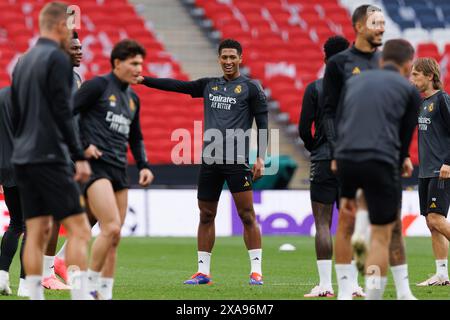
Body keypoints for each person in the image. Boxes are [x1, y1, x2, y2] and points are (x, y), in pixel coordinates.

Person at [138, 38, 268, 285]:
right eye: (224, 57)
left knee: (247, 214)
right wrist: (145, 80)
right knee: (206, 214)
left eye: (233, 57)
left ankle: (256, 271)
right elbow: (178, 85)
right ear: (219, 59)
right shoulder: (210, 85)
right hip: (210, 161)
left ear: (241, 58)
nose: (228, 61)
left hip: (237, 160)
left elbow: (262, 124)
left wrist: (261, 156)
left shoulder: (251, 88)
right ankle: (203, 273)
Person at [10, 1, 92, 300]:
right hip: (52, 155)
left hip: (23, 155)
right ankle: (82, 295)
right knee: (80, 228)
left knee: (36, 229)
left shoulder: (24, 61)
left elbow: (17, 109)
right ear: (60, 26)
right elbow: (63, 112)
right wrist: (79, 155)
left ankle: (34, 293)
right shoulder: (58, 61)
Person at [335, 39, 420, 300]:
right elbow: (403, 139)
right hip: (380, 158)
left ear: (381, 61)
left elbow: (341, 121)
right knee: (382, 237)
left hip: (346, 158)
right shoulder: (409, 90)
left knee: (345, 222)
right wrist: (402, 160)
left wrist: (346, 183)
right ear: (408, 65)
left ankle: (344, 292)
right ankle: (373, 296)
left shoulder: (354, 82)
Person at [74, 39, 154, 299]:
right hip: (96, 167)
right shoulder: (97, 85)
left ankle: (105, 293)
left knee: (115, 237)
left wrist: (143, 165)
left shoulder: (133, 99)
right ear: (117, 63)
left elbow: (136, 136)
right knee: (111, 227)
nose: (138, 68)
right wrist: (82, 147)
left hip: (120, 168)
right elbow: (66, 114)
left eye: (141, 63)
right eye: (134, 63)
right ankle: (88, 287)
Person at [322, 4, 384, 298]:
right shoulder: (339, 64)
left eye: (383, 23)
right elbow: (329, 112)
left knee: (384, 224)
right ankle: (346, 291)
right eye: (375, 22)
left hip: (381, 153)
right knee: (346, 220)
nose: (381, 27)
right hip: (349, 151)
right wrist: (336, 151)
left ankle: (373, 290)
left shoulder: (386, 63)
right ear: (359, 26)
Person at [299, 35, 350, 297]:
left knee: (322, 223)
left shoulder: (315, 88)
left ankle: (326, 286)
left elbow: (302, 129)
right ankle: (352, 286)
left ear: (324, 58)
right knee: (351, 224)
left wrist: (316, 148)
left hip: (322, 160)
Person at [42, 30, 84, 290]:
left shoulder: (76, 77)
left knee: (92, 208)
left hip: (75, 154)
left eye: (81, 47)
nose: (80, 51)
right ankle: (46, 273)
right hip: (54, 154)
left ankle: (60, 259)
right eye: (75, 48)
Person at [410, 58, 450, 286]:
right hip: (425, 172)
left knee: (437, 219)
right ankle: (442, 274)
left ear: (429, 76)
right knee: (431, 222)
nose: (412, 79)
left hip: (441, 170)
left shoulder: (442, 100)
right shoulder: (422, 103)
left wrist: (448, 162)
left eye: (416, 74)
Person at [0, 87, 27, 296]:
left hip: (7, 167)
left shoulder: (1, 95)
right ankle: (27, 283)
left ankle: (2, 276)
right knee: (33, 226)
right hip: (31, 167)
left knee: (16, 223)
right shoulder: (35, 96)